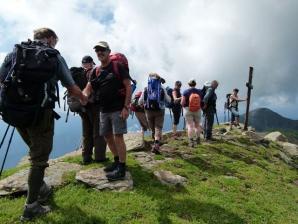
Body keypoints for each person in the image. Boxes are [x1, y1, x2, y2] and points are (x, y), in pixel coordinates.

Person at [0, 28, 88, 221]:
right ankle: (31, 206)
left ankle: (41, 187)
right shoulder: (53, 56)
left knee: (34, 149)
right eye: (56, 39)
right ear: (50, 38)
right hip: (40, 114)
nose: (56, 43)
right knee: (39, 159)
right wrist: (84, 98)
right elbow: (71, 87)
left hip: (14, 112)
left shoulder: (14, 53)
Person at [83, 41, 132, 181]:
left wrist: (126, 107)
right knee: (107, 136)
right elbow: (88, 87)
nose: (100, 52)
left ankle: (122, 168)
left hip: (118, 109)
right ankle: (117, 161)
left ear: (108, 51)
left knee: (118, 137)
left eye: (102, 50)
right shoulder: (96, 70)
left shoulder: (118, 66)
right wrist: (82, 96)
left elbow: (128, 86)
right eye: (97, 50)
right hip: (103, 110)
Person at [79, 56, 107, 164]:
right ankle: (99, 157)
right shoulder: (94, 72)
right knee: (98, 132)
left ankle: (86, 157)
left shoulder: (78, 74)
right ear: (91, 63)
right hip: (94, 106)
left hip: (82, 107)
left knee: (86, 132)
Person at [138, 73, 171, 154]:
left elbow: (140, 101)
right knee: (158, 127)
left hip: (148, 110)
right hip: (160, 110)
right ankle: (156, 143)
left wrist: (143, 104)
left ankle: (155, 143)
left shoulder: (146, 88)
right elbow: (168, 100)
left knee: (152, 127)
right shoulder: (162, 88)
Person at [181, 79, 203, 147]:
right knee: (197, 125)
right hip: (197, 110)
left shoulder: (185, 92)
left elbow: (182, 102)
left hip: (188, 110)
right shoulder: (199, 92)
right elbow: (201, 101)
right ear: (195, 84)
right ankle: (198, 139)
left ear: (188, 84)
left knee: (190, 125)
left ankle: (191, 141)